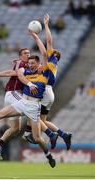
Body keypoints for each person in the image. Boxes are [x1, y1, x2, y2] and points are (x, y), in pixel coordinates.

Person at [0, 54, 56, 168]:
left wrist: (35, 36)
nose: (31, 65)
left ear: (39, 64)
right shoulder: (26, 72)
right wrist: (0, 73)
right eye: (29, 63)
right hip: (23, 103)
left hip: (34, 107)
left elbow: (43, 53)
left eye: (33, 63)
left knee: (37, 138)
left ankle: (48, 155)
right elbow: (17, 74)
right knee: (0, 114)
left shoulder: (44, 73)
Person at [23, 15, 72, 150]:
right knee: (42, 120)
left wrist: (46, 25)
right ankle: (64, 134)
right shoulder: (53, 64)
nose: (51, 49)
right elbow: (49, 44)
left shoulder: (50, 60)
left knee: (32, 112)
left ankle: (39, 134)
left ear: (54, 55)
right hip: (50, 93)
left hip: (44, 91)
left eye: (53, 51)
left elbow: (49, 42)